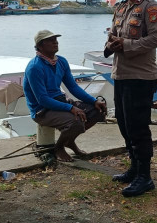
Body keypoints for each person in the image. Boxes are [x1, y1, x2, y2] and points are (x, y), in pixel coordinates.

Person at [103, 0, 157, 197]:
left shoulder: (151, 8)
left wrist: (126, 45)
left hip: (140, 77)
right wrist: (111, 44)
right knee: (123, 123)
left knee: (138, 127)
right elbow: (113, 36)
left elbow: (156, 38)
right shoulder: (121, 8)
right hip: (121, 74)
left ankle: (145, 177)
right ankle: (134, 168)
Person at [23, 29, 107, 162]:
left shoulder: (61, 61)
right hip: (42, 110)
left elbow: (73, 87)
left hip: (59, 101)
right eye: (50, 41)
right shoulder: (35, 67)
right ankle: (59, 148)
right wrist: (71, 108)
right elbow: (43, 99)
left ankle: (69, 140)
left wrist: (93, 101)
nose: (55, 43)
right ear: (40, 45)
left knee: (98, 111)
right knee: (76, 122)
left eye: (56, 40)